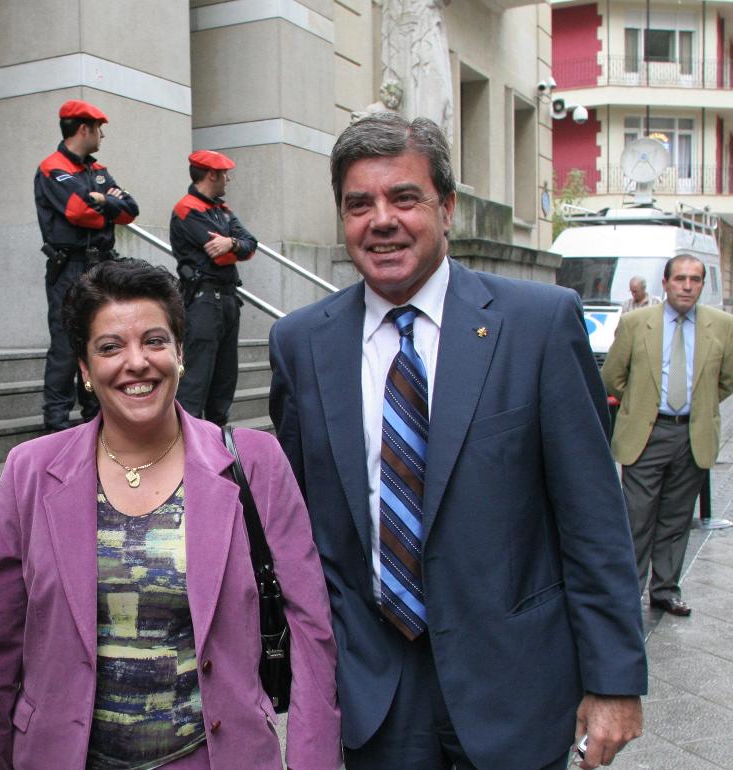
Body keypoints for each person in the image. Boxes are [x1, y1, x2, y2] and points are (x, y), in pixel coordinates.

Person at [269, 112, 647, 770]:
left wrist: (614, 680)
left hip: (515, 687)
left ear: (446, 208)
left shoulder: (537, 325)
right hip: (374, 695)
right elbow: (304, 530)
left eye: (404, 197)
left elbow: (594, 519)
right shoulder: (301, 344)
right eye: (359, 204)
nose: (381, 220)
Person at [0, 258, 340, 769]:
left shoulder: (255, 464)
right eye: (110, 347)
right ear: (84, 370)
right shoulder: (30, 472)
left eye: (154, 341)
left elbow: (311, 629)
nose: (136, 362)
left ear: (179, 353)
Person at [602, 256, 733, 617]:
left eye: (694, 279)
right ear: (666, 282)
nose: (687, 286)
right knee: (637, 518)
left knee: (676, 518)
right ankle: (629, 591)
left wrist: (699, 404)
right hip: (647, 433)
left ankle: (666, 590)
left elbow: (726, 379)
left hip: (692, 433)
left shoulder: (722, 326)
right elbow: (613, 376)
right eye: (680, 279)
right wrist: (643, 404)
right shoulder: (636, 323)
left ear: (702, 285)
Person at [34, 99, 139, 432]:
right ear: (84, 129)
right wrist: (108, 203)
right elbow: (79, 212)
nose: (102, 136)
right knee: (66, 345)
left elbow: (130, 210)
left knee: (99, 337)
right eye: (99, 130)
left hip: (99, 266)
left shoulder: (97, 171)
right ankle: (56, 424)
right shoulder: (53, 168)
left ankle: (94, 416)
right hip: (70, 268)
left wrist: (102, 201)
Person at [170, 149, 258, 426]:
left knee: (225, 379)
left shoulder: (222, 210)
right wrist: (234, 247)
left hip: (228, 299)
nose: (228, 180)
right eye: (224, 174)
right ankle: (188, 445)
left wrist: (231, 243)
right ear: (211, 174)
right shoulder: (187, 209)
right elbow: (216, 254)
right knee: (196, 380)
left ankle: (217, 444)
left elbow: (250, 244)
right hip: (204, 300)